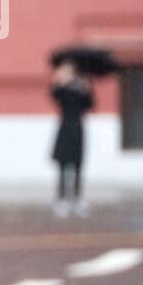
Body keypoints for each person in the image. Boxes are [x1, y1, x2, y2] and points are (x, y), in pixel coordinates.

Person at [50, 60, 93, 217]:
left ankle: (77, 197)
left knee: (78, 165)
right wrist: (59, 81)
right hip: (65, 127)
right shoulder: (62, 88)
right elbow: (54, 96)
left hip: (77, 127)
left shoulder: (81, 88)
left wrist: (87, 89)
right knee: (62, 165)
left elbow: (90, 105)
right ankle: (61, 198)